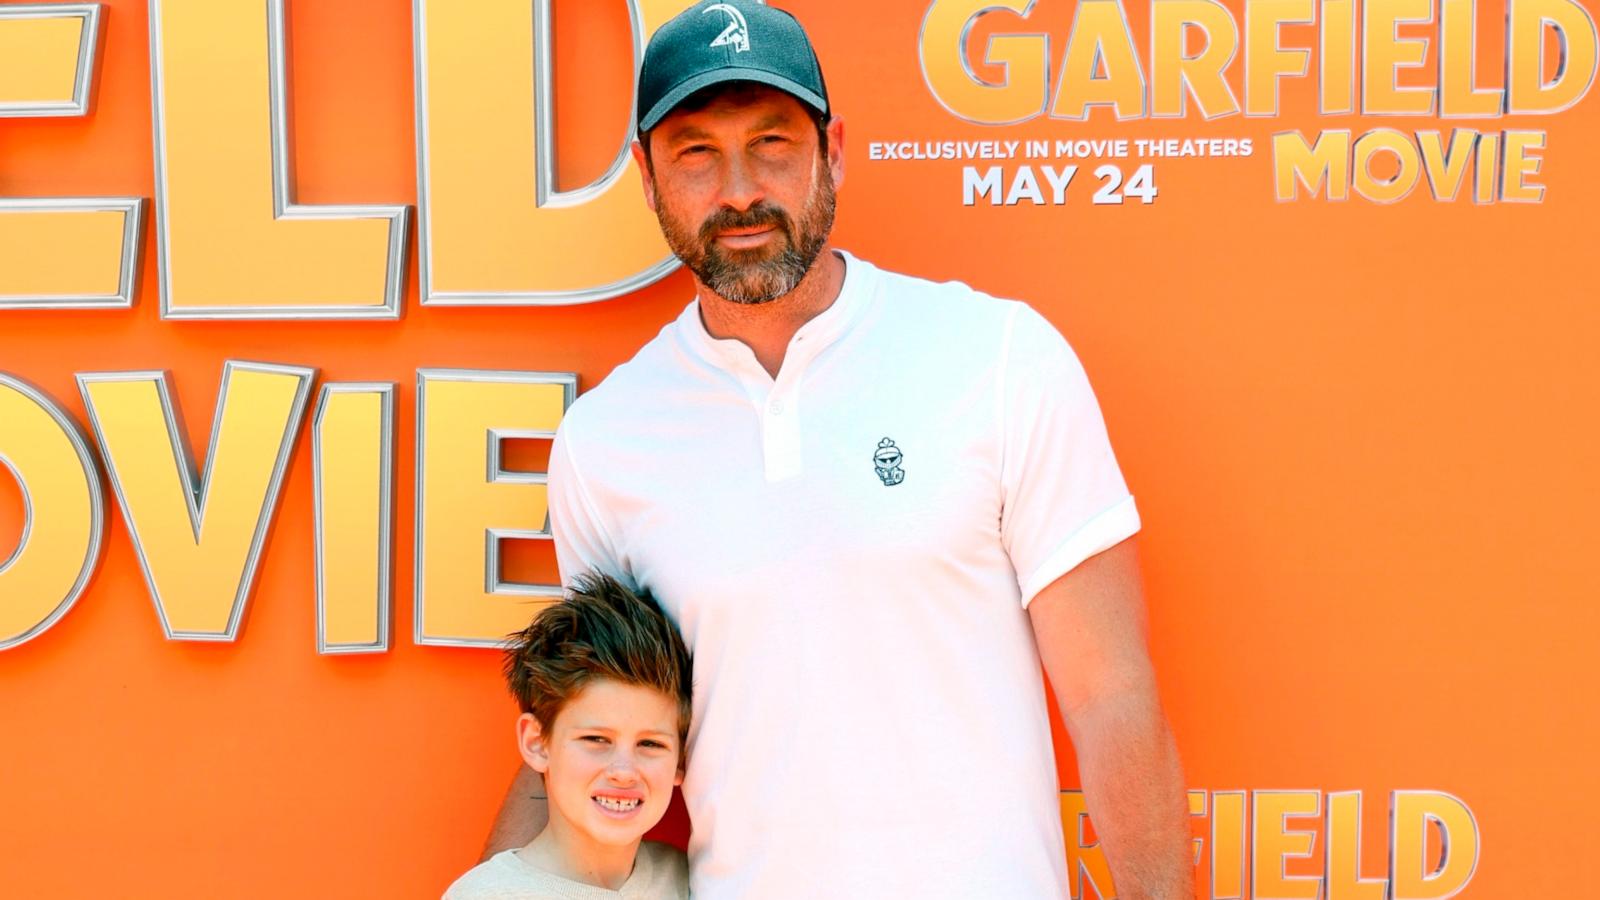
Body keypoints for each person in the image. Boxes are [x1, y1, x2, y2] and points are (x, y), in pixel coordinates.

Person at [487, 1, 1193, 896]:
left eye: (773, 142)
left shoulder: (998, 356)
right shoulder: (607, 439)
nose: (739, 189)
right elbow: (590, 735)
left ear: (835, 150)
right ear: (647, 176)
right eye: (696, 152)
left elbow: (1111, 697)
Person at [448, 573, 691, 899]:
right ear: (536, 742)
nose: (623, 771)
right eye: (596, 740)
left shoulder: (683, 877)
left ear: (681, 760)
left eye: (650, 743)